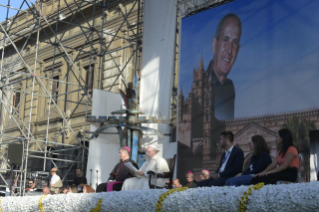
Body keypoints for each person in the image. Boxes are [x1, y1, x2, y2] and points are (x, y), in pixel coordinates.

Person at [206, 13, 241, 120]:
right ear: (214, 45)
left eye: (234, 43)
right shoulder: (202, 84)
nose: (230, 50)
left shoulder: (229, 87)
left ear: (238, 50)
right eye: (225, 40)